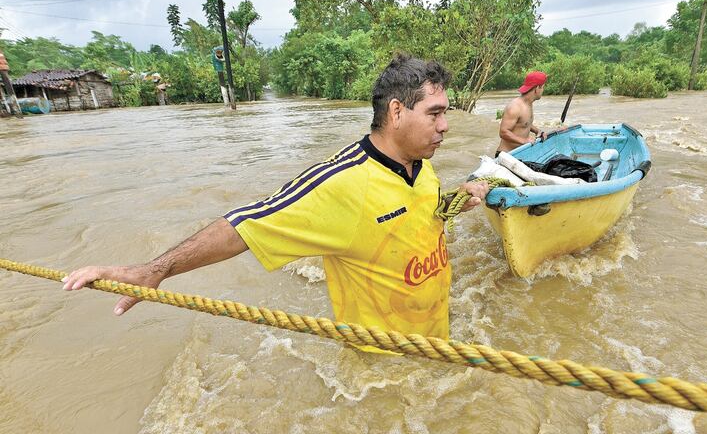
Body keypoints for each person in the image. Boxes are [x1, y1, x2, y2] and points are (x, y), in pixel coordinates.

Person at [62, 55, 489, 341]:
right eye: (435, 113)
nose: (446, 125)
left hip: (438, 337)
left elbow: (420, 216)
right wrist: (153, 270)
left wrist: (456, 202)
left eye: (445, 113)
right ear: (396, 112)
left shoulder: (423, 164)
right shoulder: (340, 184)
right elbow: (245, 224)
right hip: (385, 359)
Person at [495, 70, 553, 156]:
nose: (543, 90)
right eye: (543, 87)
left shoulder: (528, 104)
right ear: (537, 88)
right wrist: (524, 141)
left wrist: (538, 131)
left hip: (519, 153)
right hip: (506, 155)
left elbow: (524, 123)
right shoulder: (515, 107)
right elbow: (503, 132)